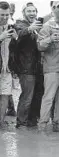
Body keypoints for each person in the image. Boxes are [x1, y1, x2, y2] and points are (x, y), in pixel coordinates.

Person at [37, 1, 59, 134]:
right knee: (48, 98)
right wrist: (50, 39)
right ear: (53, 9)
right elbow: (39, 46)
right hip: (52, 68)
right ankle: (42, 125)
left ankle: (58, 124)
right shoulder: (47, 26)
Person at [8, 2, 42, 129]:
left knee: (36, 95)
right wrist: (30, 29)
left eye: (34, 11)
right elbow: (19, 36)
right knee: (27, 97)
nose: (32, 13)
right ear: (24, 13)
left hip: (37, 67)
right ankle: (21, 123)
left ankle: (32, 121)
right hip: (25, 67)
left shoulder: (37, 26)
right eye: (29, 11)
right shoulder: (19, 24)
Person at [0, 1, 17, 129]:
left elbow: (16, 50)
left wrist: (17, 39)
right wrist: (1, 37)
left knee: (5, 95)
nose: (5, 17)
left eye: (7, 15)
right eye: (2, 15)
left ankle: (0, 123)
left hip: (7, 69)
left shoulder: (11, 27)